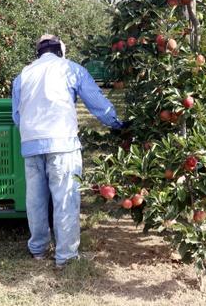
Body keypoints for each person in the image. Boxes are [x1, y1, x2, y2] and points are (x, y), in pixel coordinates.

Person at [11, 34, 125, 269]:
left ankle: (38, 249)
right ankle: (65, 256)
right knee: (65, 197)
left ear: (38, 53)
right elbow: (97, 104)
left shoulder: (23, 76)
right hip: (62, 142)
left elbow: (16, 116)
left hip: (31, 143)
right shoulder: (71, 69)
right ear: (60, 51)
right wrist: (118, 124)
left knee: (36, 199)